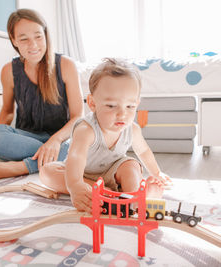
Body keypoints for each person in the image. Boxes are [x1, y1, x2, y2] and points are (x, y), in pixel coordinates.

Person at [39, 58, 171, 213]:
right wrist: (75, 186)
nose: (122, 114)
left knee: (130, 165)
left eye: (130, 106)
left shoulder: (132, 129)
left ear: (137, 103)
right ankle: (98, 191)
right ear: (93, 103)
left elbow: (143, 152)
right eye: (111, 106)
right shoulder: (86, 130)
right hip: (81, 174)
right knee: (47, 171)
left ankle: (135, 197)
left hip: (114, 172)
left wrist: (157, 173)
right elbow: (76, 158)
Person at [0, 9, 84, 183]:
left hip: (61, 137)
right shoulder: (8, 71)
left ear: (45, 35)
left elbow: (77, 116)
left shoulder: (66, 65)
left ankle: (21, 166)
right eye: (24, 39)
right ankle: (52, 158)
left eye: (38, 36)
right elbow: (7, 113)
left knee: (80, 143)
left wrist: (55, 141)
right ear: (14, 41)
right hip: (27, 138)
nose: (33, 45)